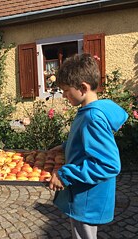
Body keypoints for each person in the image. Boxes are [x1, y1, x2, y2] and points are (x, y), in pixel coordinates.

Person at [48, 53, 128, 239]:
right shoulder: (89, 111)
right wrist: (65, 146)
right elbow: (88, 142)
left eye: (67, 91)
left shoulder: (92, 117)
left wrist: (64, 174)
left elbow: (109, 164)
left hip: (88, 196)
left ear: (83, 87)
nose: (65, 96)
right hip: (84, 193)